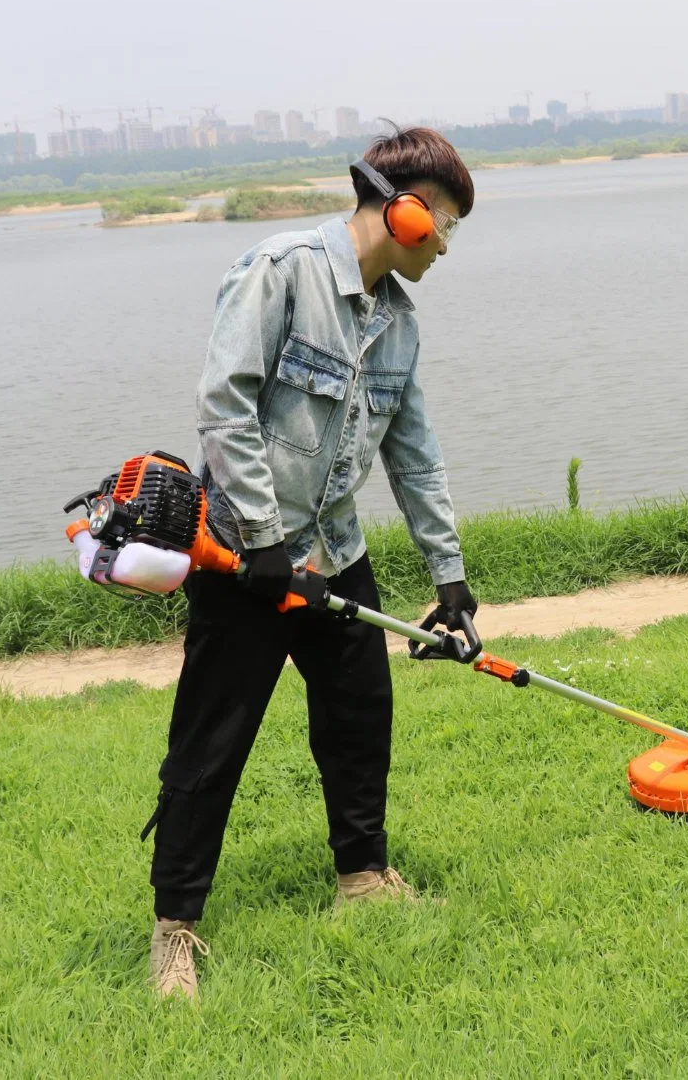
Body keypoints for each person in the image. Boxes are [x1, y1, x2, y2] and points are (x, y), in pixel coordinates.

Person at [145, 126, 478, 1000]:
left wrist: (450, 578)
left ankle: (362, 879)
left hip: (335, 555)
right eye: (443, 222)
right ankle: (174, 930)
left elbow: (416, 457)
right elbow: (226, 404)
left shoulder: (399, 326)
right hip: (248, 562)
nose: (446, 244)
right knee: (211, 746)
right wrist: (260, 541)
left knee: (359, 720)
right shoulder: (282, 269)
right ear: (401, 211)